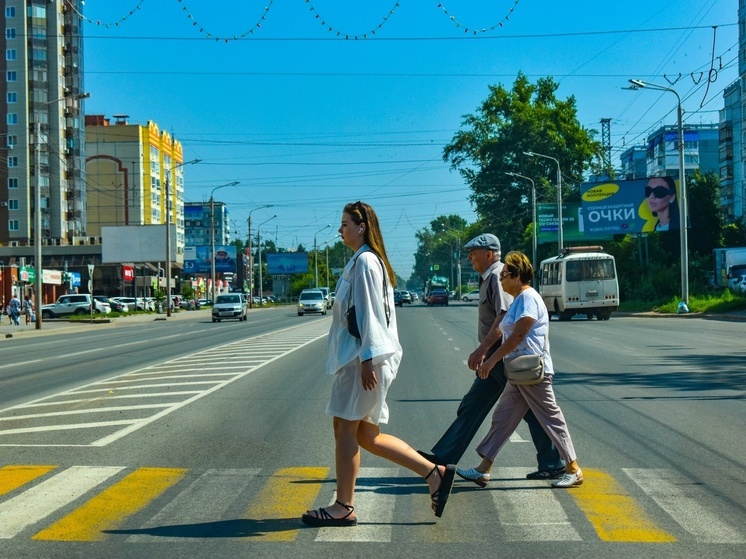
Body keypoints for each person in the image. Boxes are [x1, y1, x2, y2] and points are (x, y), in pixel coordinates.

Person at [302, 201, 456, 527]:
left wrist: (367, 358)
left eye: (345, 224)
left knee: (346, 429)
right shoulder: (361, 261)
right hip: (362, 358)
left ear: (361, 227)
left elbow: (369, 314)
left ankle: (343, 505)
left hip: (363, 359)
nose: (340, 229)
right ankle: (434, 473)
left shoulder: (366, 263)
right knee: (366, 435)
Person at [418, 234, 565, 484]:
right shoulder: (489, 277)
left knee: (517, 407)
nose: (469, 257)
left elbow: (505, 318)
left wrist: (484, 351)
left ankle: (556, 463)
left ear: (488, 254)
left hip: (502, 356)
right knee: (482, 405)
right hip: (498, 357)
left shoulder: (500, 276)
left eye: (473, 252)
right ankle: (444, 458)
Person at [457, 251, 583, 489]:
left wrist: (491, 360)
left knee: (551, 419)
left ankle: (573, 468)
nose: (501, 280)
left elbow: (517, 336)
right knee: (503, 419)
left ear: (516, 276)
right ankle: (483, 470)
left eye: (504, 275)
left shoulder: (528, 298)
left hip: (533, 372)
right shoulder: (517, 300)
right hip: (518, 373)